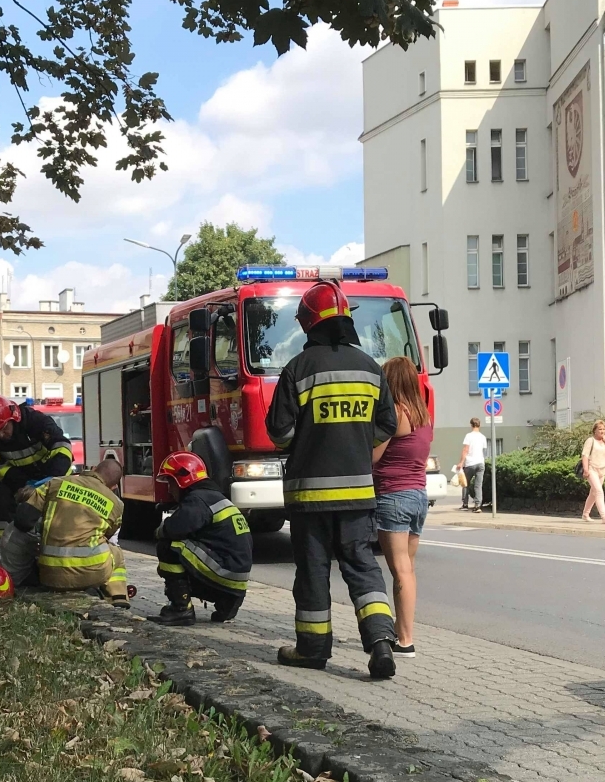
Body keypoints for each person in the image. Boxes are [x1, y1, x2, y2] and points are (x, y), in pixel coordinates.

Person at [265, 281, 399, 680]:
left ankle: (312, 649)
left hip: (310, 499)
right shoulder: (370, 369)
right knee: (363, 569)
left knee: (313, 572)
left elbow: (280, 433)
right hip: (359, 495)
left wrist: (310, 437)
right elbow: (387, 425)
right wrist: (358, 442)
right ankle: (380, 644)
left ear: (308, 324)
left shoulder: (298, 369)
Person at [372, 357, 431, 659]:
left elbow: (374, 457)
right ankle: (402, 629)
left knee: (400, 571)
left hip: (394, 496)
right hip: (419, 497)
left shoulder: (395, 413)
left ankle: (405, 640)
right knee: (408, 568)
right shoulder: (422, 414)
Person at [152, 451, 254, 627]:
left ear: (182, 480)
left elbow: (174, 529)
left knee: (169, 546)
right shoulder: (216, 497)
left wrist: (160, 530)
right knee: (188, 550)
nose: (169, 488)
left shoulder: (198, 500)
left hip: (221, 571)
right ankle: (226, 602)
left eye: (170, 481)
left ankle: (180, 609)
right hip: (236, 579)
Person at [13, 458, 130, 606]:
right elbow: (107, 535)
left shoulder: (55, 483)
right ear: (113, 487)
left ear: (93, 469)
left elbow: (23, 519)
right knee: (116, 552)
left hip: (50, 574)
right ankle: (117, 597)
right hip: (92, 574)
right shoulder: (117, 504)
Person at [0, 393, 74, 561]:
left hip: (54, 476)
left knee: (60, 517)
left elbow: (62, 448)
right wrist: (22, 485)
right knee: (2, 505)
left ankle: (61, 556)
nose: (0, 435)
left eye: (3, 428)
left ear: (13, 418)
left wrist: (49, 480)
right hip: (20, 480)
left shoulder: (35, 421)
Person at [582, 419, 605, 524]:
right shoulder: (590, 440)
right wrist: (586, 469)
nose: (602, 431)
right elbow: (585, 455)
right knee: (598, 491)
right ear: (595, 430)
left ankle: (585, 514)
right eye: (600, 429)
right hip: (592, 468)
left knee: (593, 493)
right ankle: (604, 517)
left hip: (602, 469)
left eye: (603, 429)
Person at [460, 417, 489, 511]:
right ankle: (477, 506)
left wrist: (461, 462)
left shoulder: (469, 436)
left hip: (470, 463)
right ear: (479, 425)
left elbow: (465, 450)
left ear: (471, 425)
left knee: (465, 484)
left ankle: (465, 504)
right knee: (478, 485)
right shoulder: (483, 437)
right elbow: (484, 451)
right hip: (480, 463)